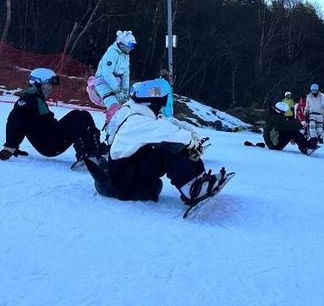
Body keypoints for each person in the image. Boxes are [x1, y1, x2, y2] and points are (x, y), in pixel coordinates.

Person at [87, 79, 226, 206]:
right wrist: (192, 143)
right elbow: (169, 131)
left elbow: (170, 123)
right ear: (152, 103)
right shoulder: (138, 121)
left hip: (129, 167)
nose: (161, 109)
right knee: (171, 147)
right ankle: (193, 189)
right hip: (124, 177)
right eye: (160, 105)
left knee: (176, 143)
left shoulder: (137, 111)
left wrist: (192, 135)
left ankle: (199, 179)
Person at [0, 68, 103, 166]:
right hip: (49, 145)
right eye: (48, 85)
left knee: (83, 114)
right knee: (77, 117)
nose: (50, 89)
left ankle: (96, 150)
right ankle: (85, 154)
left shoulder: (36, 99)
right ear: (38, 84)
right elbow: (15, 121)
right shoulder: (27, 101)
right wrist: (11, 145)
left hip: (52, 137)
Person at [92, 30, 137, 109]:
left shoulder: (125, 55)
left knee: (125, 105)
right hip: (103, 81)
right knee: (113, 104)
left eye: (133, 45)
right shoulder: (112, 53)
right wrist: (117, 90)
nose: (132, 48)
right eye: (130, 45)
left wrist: (125, 90)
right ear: (123, 44)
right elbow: (107, 73)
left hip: (116, 82)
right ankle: (111, 118)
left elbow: (126, 73)